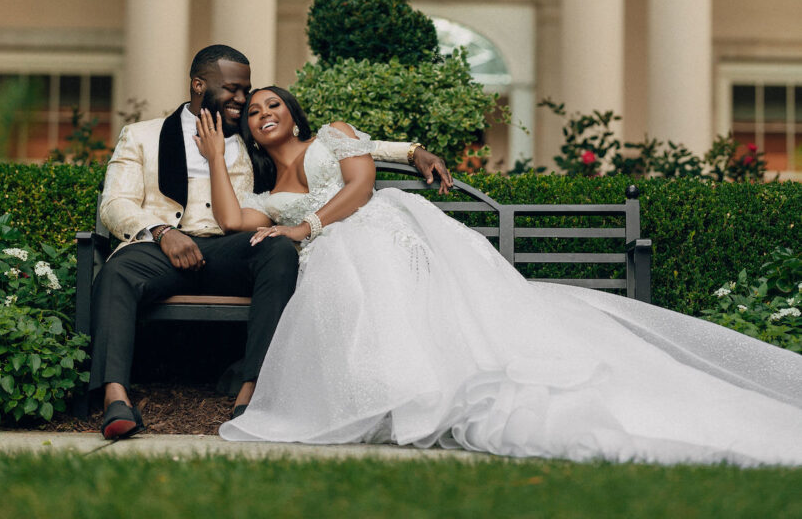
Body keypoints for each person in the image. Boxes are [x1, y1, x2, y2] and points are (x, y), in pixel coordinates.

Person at [193, 87, 802, 465]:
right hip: (334, 260)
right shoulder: (272, 194)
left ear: (293, 115)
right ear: (247, 130)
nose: (263, 114)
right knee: (345, 297)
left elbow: (360, 187)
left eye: (273, 104)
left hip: (380, 233)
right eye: (252, 113)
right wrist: (219, 159)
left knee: (430, 308)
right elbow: (228, 218)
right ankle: (397, 397)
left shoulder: (334, 136)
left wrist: (306, 229)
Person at [91, 45, 451, 440]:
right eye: (234, 90)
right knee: (118, 269)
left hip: (230, 248)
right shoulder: (141, 136)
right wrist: (162, 233)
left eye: (246, 92)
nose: (243, 100)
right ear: (198, 85)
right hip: (164, 247)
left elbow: (329, 148)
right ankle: (115, 398)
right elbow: (116, 203)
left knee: (277, 249)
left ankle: (257, 388)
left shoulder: (253, 136)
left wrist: (411, 150)